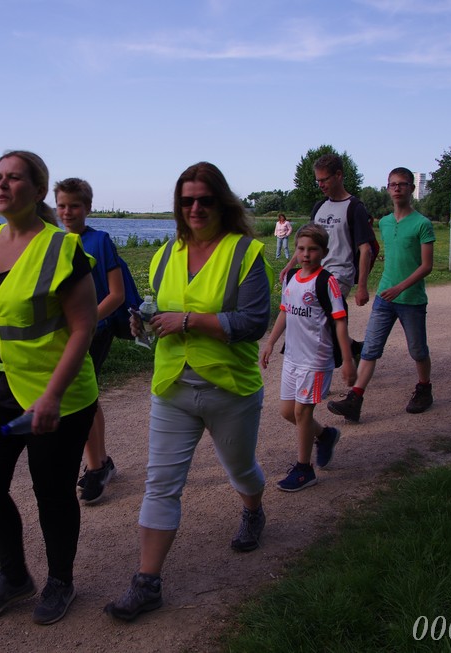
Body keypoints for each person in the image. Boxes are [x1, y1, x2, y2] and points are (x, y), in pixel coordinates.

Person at [104, 162, 272, 622]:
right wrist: (144, 324)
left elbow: (254, 321)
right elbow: (161, 311)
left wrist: (189, 321)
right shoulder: (164, 255)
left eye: (204, 200)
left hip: (230, 388)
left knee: (241, 470)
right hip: (173, 386)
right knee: (161, 484)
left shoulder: (246, 253)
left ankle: (253, 510)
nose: (195, 208)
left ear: (222, 202)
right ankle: (147, 583)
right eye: (186, 201)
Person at [0, 150, 99, 626]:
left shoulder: (61, 248)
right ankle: (15, 576)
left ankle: (61, 581)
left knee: (52, 492)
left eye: (14, 178)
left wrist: (52, 396)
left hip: (57, 396)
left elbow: (83, 327)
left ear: (38, 191)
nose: (2, 184)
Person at [327, 167, 436, 423]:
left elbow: (426, 266)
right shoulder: (385, 222)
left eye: (402, 184)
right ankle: (355, 399)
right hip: (385, 298)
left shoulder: (422, 223)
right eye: (392, 184)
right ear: (387, 189)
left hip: (411, 300)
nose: (397, 188)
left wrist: (400, 287)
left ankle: (424, 389)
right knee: (371, 349)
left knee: (418, 350)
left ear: (411, 189)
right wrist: (364, 283)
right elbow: (372, 250)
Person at [260, 223, 356, 492]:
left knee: (302, 412)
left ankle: (304, 469)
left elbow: (339, 322)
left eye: (312, 249)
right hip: (292, 357)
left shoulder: (327, 282)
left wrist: (347, 360)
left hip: (316, 359)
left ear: (323, 252)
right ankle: (325, 435)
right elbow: (284, 311)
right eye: (301, 248)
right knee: (287, 412)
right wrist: (270, 343)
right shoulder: (290, 277)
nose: (306, 254)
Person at [54, 177, 124, 504]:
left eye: (75, 206)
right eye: (62, 206)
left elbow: (116, 293)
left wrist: (87, 322)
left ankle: (96, 467)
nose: (67, 212)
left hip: (96, 329)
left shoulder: (100, 241)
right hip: (64, 334)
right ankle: (101, 461)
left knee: (82, 395)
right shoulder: (52, 242)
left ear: (88, 208)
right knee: (85, 395)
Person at [279, 153, 376, 308]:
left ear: (338, 175)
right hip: (316, 271)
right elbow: (307, 241)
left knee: (319, 312)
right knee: (310, 315)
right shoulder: (319, 207)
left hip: (339, 275)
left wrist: (362, 287)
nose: (320, 185)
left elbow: (366, 249)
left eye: (324, 180)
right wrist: (290, 265)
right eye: (318, 181)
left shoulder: (354, 207)